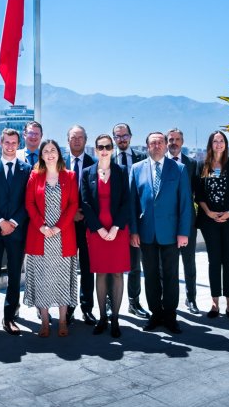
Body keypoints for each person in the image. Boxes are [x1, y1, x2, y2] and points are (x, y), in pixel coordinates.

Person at [129, 132, 192, 334]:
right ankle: (155, 314)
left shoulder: (179, 169)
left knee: (171, 276)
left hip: (171, 233)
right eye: (152, 143)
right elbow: (132, 203)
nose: (156, 145)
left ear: (165, 145)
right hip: (146, 232)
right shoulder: (136, 169)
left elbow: (185, 203)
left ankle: (170, 316)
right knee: (150, 275)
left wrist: (183, 232)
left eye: (160, 142)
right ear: (147, 146)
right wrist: (134, 231)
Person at [24, 139, 78, 337]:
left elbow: (73, 204)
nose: (49, 154)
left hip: (63, 236)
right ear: (41, 155)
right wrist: (42, 226)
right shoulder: (34, 176)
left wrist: (58, 227)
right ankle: (45, 322)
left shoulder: (70, 176)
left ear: (59, 153)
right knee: (42, 280)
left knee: (62, 280)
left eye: (53, 150)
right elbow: (29, 203)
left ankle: (63, 321)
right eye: (45, 151)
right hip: (40, 236)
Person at [0, 129, 32, 336]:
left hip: (17, 233)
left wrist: (13, 223)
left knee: (14, 277)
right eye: (7, 142)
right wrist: (1, 222)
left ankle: (9, 318)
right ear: (1, 143)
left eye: (14, 143)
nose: (10, 146)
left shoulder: (27, 170)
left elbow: (28, 201)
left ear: (19, 144)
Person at [81, 134, 130, 337]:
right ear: (95, 149)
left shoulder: (121, 171)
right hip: (96, 231)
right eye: (100, 147)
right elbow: (85, 203)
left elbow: (127, 201)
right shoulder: (87, 173)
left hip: (118, 231)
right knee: (100, 273)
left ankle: (115, 318)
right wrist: (100, 229)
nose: (104, 150)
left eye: (108, 147)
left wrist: (115, 228)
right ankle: (102, 317)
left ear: (112, 149)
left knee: (117, 273)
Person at [196, 131, 229, 319]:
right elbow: (199, 194)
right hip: (209, 221)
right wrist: (209, 212)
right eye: (215, 141)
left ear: (226, 144)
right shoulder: (203, 165)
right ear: (211, 144)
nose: (218, 144)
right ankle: (215, 303)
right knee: (214, 261)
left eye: (222, 141)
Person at [112, 123, 149, 318]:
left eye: (124, 135)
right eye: (118, 136)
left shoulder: (143, 159)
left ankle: (134, 303)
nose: (122, 139)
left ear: (131, 136)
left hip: (136, 220)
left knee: (135, 265)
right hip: (113, 222)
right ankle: (109, 302)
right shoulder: (107, 159)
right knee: (111, 265)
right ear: (114, 139)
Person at [64, 124, 96, 325]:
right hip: (65, 225)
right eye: (73, 137)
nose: (77, 141)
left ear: (85, 140)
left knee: (87, 267)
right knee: (66, 268)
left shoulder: (94, 163)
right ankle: (67, 308)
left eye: (80, 137)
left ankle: (87, 308)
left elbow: (97, 195)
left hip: (87, 224)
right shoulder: (59, 163)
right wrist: (70, 214)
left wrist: (83, 214)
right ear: (67, 140)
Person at [166, 128, 200, 314]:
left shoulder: (192, 163)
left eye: (177, 139)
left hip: (187, 221)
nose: (174, 143)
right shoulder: (160, 162)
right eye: (171, 139)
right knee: (167, 265)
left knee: (189, 262)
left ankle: (191, 299)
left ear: (182, 141)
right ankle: (168, 301)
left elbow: (196, 193)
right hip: (165, 222)